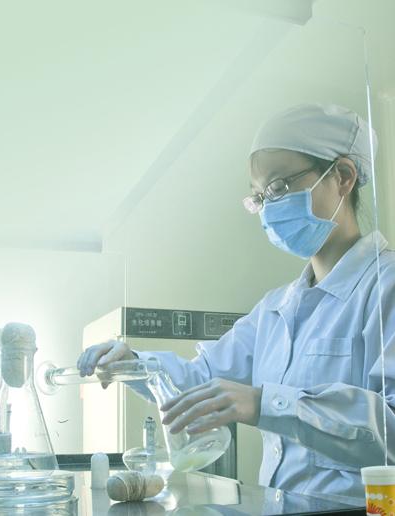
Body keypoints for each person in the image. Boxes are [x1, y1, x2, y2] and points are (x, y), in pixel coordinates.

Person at [77, 102, 395, 502]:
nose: (269, 208)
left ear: (343, 176)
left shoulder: (385, 288)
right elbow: (204, 380)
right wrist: (135, 364)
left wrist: (266, 404)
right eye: (260, 197)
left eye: (278, 187)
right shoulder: (277, 308)